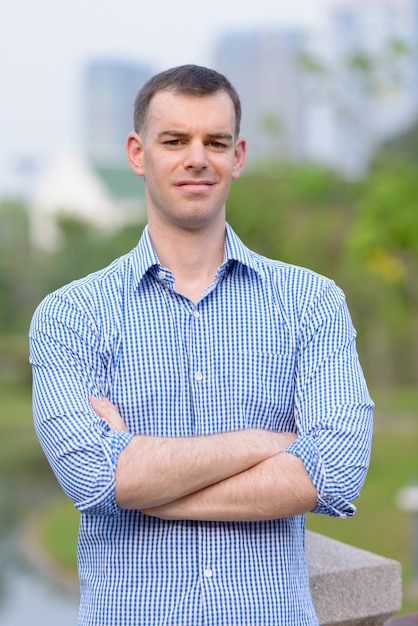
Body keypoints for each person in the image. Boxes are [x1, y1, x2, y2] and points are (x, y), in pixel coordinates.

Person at [29, 64, 373, 626]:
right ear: (138, 154)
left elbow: (333, 470)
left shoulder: (311, 302)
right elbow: (93, 476)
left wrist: (142, 482)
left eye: (215, 141)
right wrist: (266, 443)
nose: (197, 158)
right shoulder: (71, 316)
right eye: (175, 140)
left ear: (237, 157)